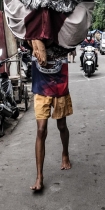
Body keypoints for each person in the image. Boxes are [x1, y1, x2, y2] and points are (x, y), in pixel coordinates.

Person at [30, 41, 73, 192]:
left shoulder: (63, 30)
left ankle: (65, 153)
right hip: (41, 84)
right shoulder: (34, 32)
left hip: (60, 82)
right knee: (41, 130)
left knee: (62, 126)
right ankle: (39, 176)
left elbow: (73, 41)